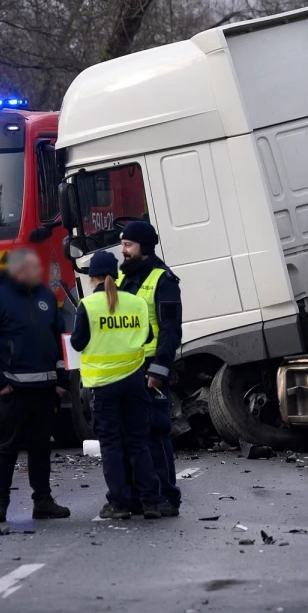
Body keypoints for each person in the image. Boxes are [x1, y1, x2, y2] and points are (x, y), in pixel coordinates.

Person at [0, 249, 71, 523]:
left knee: (41, 448)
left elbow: (58, 340)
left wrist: (60, 381)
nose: (39, 273)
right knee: (7, 448)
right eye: (33, 268)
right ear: (18, 271)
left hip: (44, 390)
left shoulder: (45, 297)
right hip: (12, 391)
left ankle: (43, 501)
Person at [70, 251, 163, 519]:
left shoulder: (88, 306)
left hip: (103, 385)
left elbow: (77, 343)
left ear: (93, 278)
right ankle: (151, 502)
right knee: (138, 442)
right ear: (116, 273)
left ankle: (120, 503)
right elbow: (145, 336)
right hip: (134, 380)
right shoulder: (136, 303)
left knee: (111, 445)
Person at [117, 221, 182, 516]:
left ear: (144, 246)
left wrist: (159, 369)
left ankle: (168, 496)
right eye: (123, 244)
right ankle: (139, 496)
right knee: (129, 435)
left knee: (155, 433)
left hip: (149, 367)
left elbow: (170, 329)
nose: (123, 250)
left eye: (128, 245)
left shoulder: (163, 279)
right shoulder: (121, 277)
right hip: (123, 368)